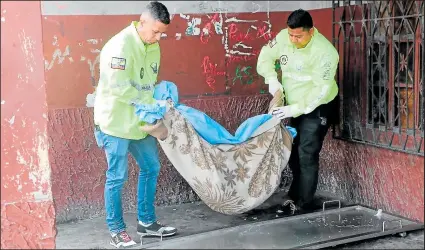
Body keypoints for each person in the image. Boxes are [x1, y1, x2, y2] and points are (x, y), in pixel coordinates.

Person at [93, 1, 176, 248]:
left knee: (151, 167)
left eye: (162, 33)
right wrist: (153, 105)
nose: (159, 37)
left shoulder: (153, 46)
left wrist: (162, 99)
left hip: (139, 122)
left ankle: (147, 223)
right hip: (115, 123)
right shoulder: (119, 46)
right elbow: (121, 88)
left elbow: (148, 83)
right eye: (155, 31)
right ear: (142, 23)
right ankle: (117, 230)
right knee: (117, 177)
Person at [256, 9, 339, 214]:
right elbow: (266, 56)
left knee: (307, 152)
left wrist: (295, 108)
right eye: (290, 34)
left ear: (311, 32)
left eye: (298, 36)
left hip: (318, 106)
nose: (293, 40)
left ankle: (303, 203)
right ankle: (294, 196)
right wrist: (272, 80)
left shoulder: (326, 53)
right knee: (294, 152)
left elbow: (321, 91)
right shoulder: (285, 37)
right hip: (292, 106)